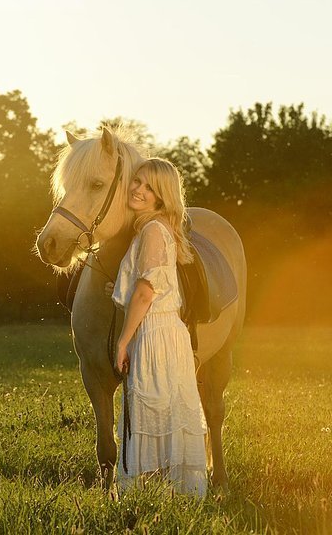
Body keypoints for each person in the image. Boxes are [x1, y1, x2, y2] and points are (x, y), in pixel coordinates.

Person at [108, 158, 207, 496]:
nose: (137, 189)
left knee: (150, 411)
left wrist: (123, 340)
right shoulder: (161, 227)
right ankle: (171, 495)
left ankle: (146, 496)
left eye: (148, 187)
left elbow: (147, 290)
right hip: (168, 330)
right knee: (166, 410)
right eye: (136, 181)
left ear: (162, 195)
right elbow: (153, 283)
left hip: (154, 333)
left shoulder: (151, 230)